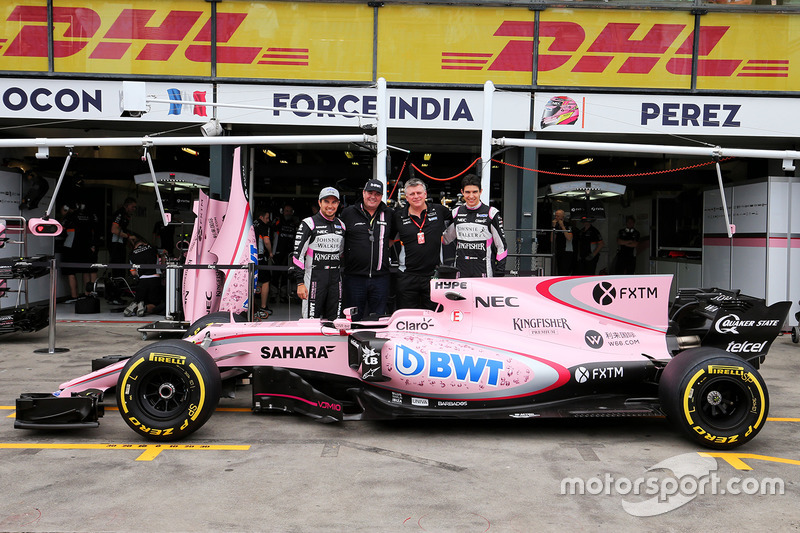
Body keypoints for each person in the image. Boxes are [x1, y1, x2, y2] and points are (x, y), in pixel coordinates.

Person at [392, 177, 452, 310]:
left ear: (425, 194)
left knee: (435, 319)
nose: (416, 197)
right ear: (406, 197)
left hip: (434, 276)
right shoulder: (398, 216)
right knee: (407, 319)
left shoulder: (440, 210)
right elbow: (389, 241)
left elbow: (458, 223)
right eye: (412, 194)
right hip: (407, 276)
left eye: (419, 193)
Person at [340, 179, 394, 320]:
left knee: (378, 320)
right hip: (354, 278)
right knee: (353, 320)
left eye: (377, 194)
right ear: (363, 193)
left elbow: (392, 238)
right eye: (370, 192)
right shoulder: (348, 213)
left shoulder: (389, 214)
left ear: (382, 196)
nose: (373, 197)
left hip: (380, 278)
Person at [289, 187, 345, 320]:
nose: (330, 206)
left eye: (334, 202)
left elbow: (341, 254)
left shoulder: (342, 225)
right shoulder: (309, 223)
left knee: (335, 321)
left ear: (338, 204)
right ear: (320, 203)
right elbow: (297, 255)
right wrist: (299, 283)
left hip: (335, 281)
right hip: (314, 279)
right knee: (310, 321)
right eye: (326, 201)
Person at [442, 174, 508, 278]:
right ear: (462, 192)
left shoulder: (491, 213)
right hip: (461, 272)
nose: (471, 196)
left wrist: (500, 272)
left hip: (484, 272)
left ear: (480, 191)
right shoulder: (456, 213)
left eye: (475, 192)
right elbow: (445, 239)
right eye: (467, 192)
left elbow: (501, 246)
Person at [62, 203, 99, 303]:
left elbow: (61, 228)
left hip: (71, 247)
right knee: (86, 270)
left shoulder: (70, 216)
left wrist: (64, 214)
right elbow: (96, 230)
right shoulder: (91, 215)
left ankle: (74, 296)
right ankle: (88, 294)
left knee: (71, 272)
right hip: (87, 247)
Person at [124, 233, 163, 317]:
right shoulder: (153, 248)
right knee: (155, 304)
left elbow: (133, 272)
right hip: (155, 279)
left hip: (142, 282)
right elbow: (164, 252)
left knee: (140, 299)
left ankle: (136, 305)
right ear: (144, 243)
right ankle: (144, 308)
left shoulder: (131, 255)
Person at [271, 204, 301, 303]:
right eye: (286, 211)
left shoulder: (295, 223)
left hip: (290, 253)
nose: (288, 213)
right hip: (278, 252)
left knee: (286, 274)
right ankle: (273, 294)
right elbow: (272, 231)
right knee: (275, 274)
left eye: (290, 211)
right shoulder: (278, 221)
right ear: (282, 211)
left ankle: (284, 295)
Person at [109, 197, 137, 280]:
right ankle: (116, 287)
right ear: (127, 205)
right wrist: (128, 237)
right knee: (117, 268)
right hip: (115, 244)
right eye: (133, 207)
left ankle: (120, 285)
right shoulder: (120, 213)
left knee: (122, 267)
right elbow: (114, 230)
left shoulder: (125, 215)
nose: (134, 209)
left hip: (121, 244)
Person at [253, 206, 274, 319]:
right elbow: (266, 241)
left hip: (249, 257)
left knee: (251, 282)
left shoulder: (250, 224)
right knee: (265, 281)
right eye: (266, 218)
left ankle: (251, 307)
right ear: (261, 217)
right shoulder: (263, 226)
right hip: (260, 257)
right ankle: (263, 306)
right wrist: (270, 253)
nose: (268, 220)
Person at [551, 208, 574, 275]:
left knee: (566, 270)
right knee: (559, 270)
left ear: (562, 216)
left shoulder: (568, 225)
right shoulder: (556, 226)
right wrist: (553, 228)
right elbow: (552, 239)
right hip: (559, 250)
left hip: (567, 251)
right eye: (555, 216)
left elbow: (569, 238)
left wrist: (562, 226)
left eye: (558, 216)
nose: (556, 217)